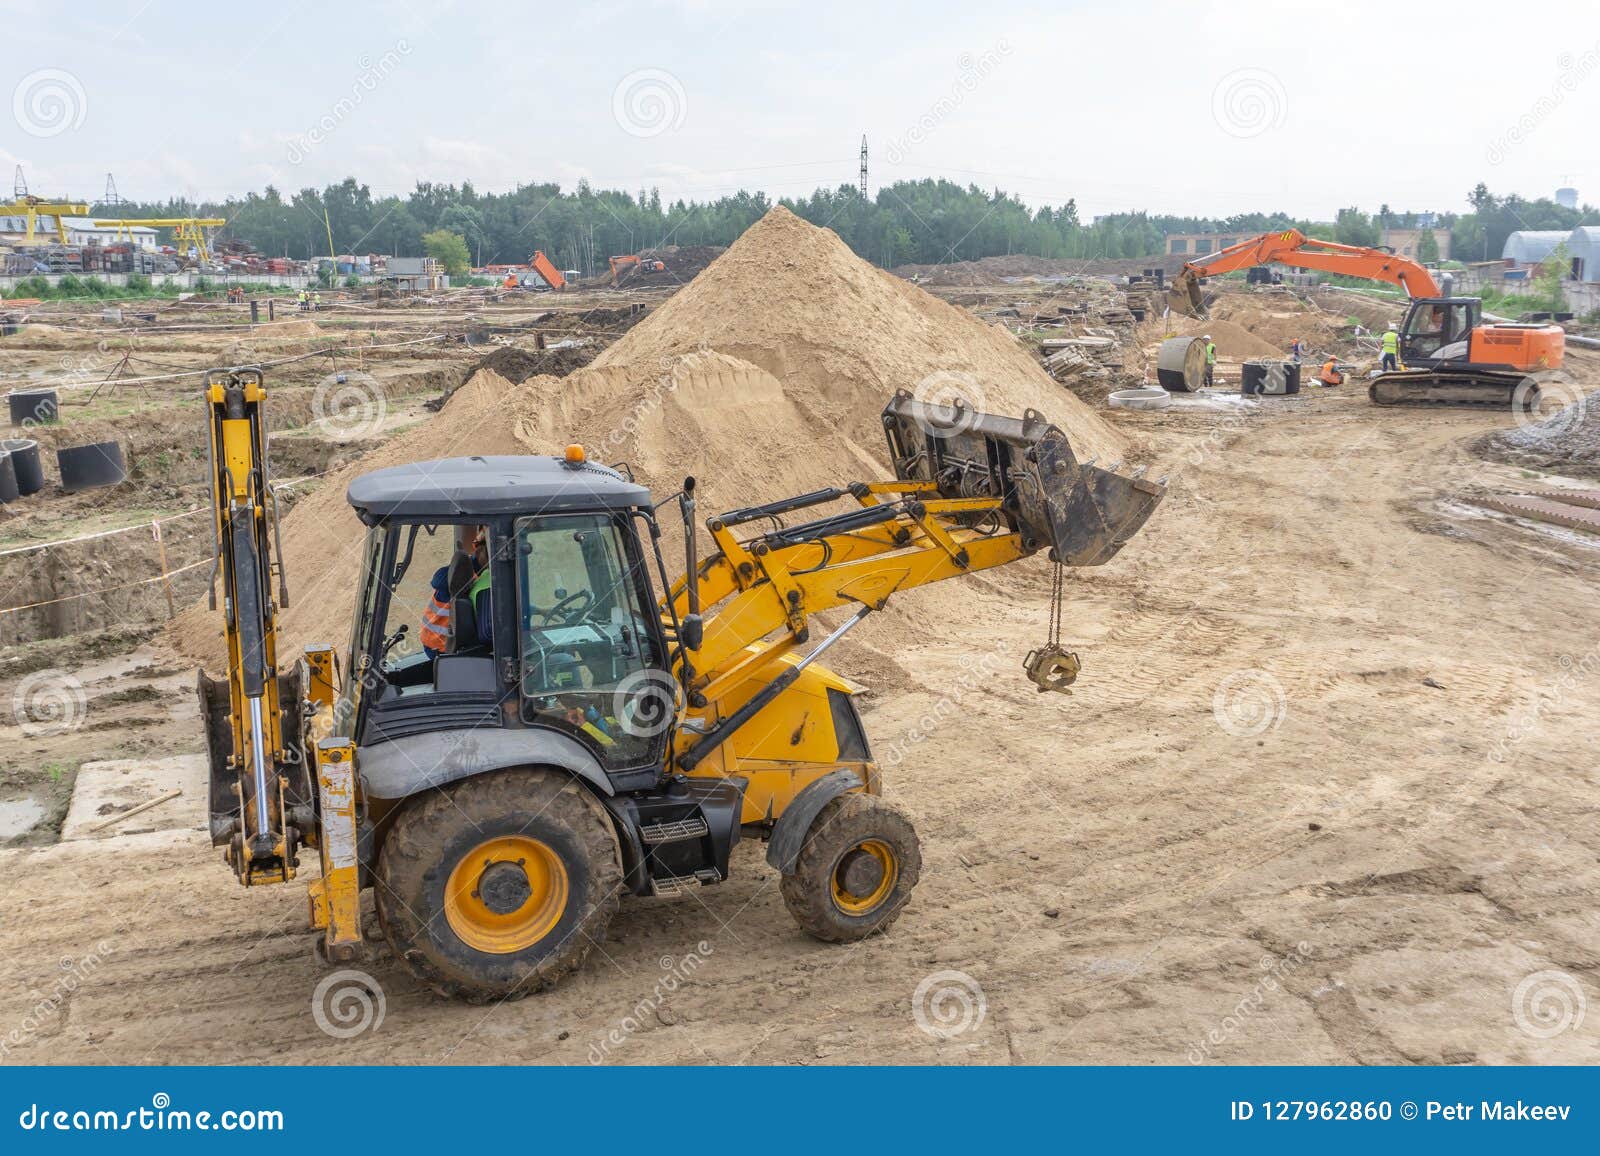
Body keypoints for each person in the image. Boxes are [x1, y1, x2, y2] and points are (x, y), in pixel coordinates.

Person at [420, 527, 489, 658]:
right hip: (439, 645)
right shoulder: (462, 572)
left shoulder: (483, 575)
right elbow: (437, 581)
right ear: (480, 551)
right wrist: (459, 570)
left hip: (446, 641)